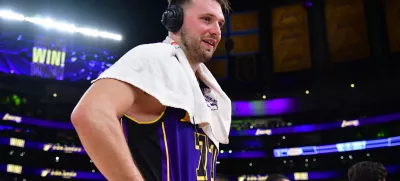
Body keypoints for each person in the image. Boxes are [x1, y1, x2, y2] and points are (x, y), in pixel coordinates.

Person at [70, 0, 231, 180]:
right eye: (206, 19)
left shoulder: (205, 87)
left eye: (220, 24)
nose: (217, 31)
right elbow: (91, 113)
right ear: (174, 20)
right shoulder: (154, 57)